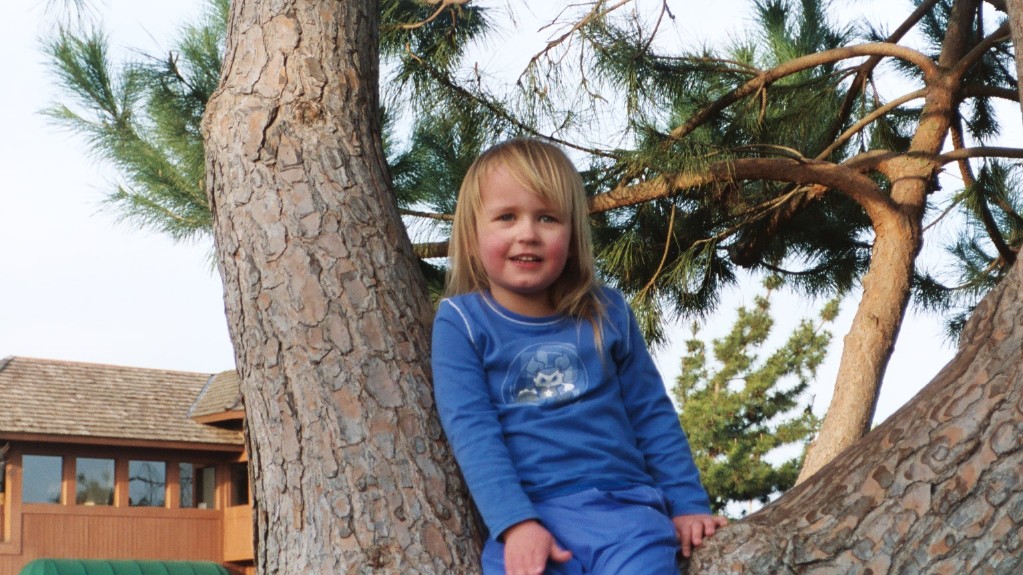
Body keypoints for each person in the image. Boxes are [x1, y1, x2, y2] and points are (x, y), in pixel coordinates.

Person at [432, 137, 727, 575]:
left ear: (571, 236)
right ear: (473, 235)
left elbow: (652, 415)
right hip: (531, 521)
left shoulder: (605, 312)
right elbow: (472, 431)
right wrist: (515, 523)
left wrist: (687, 505)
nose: (527, 233)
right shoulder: (462, 321)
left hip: (627, 515)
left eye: (547, 218)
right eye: (506, 217)